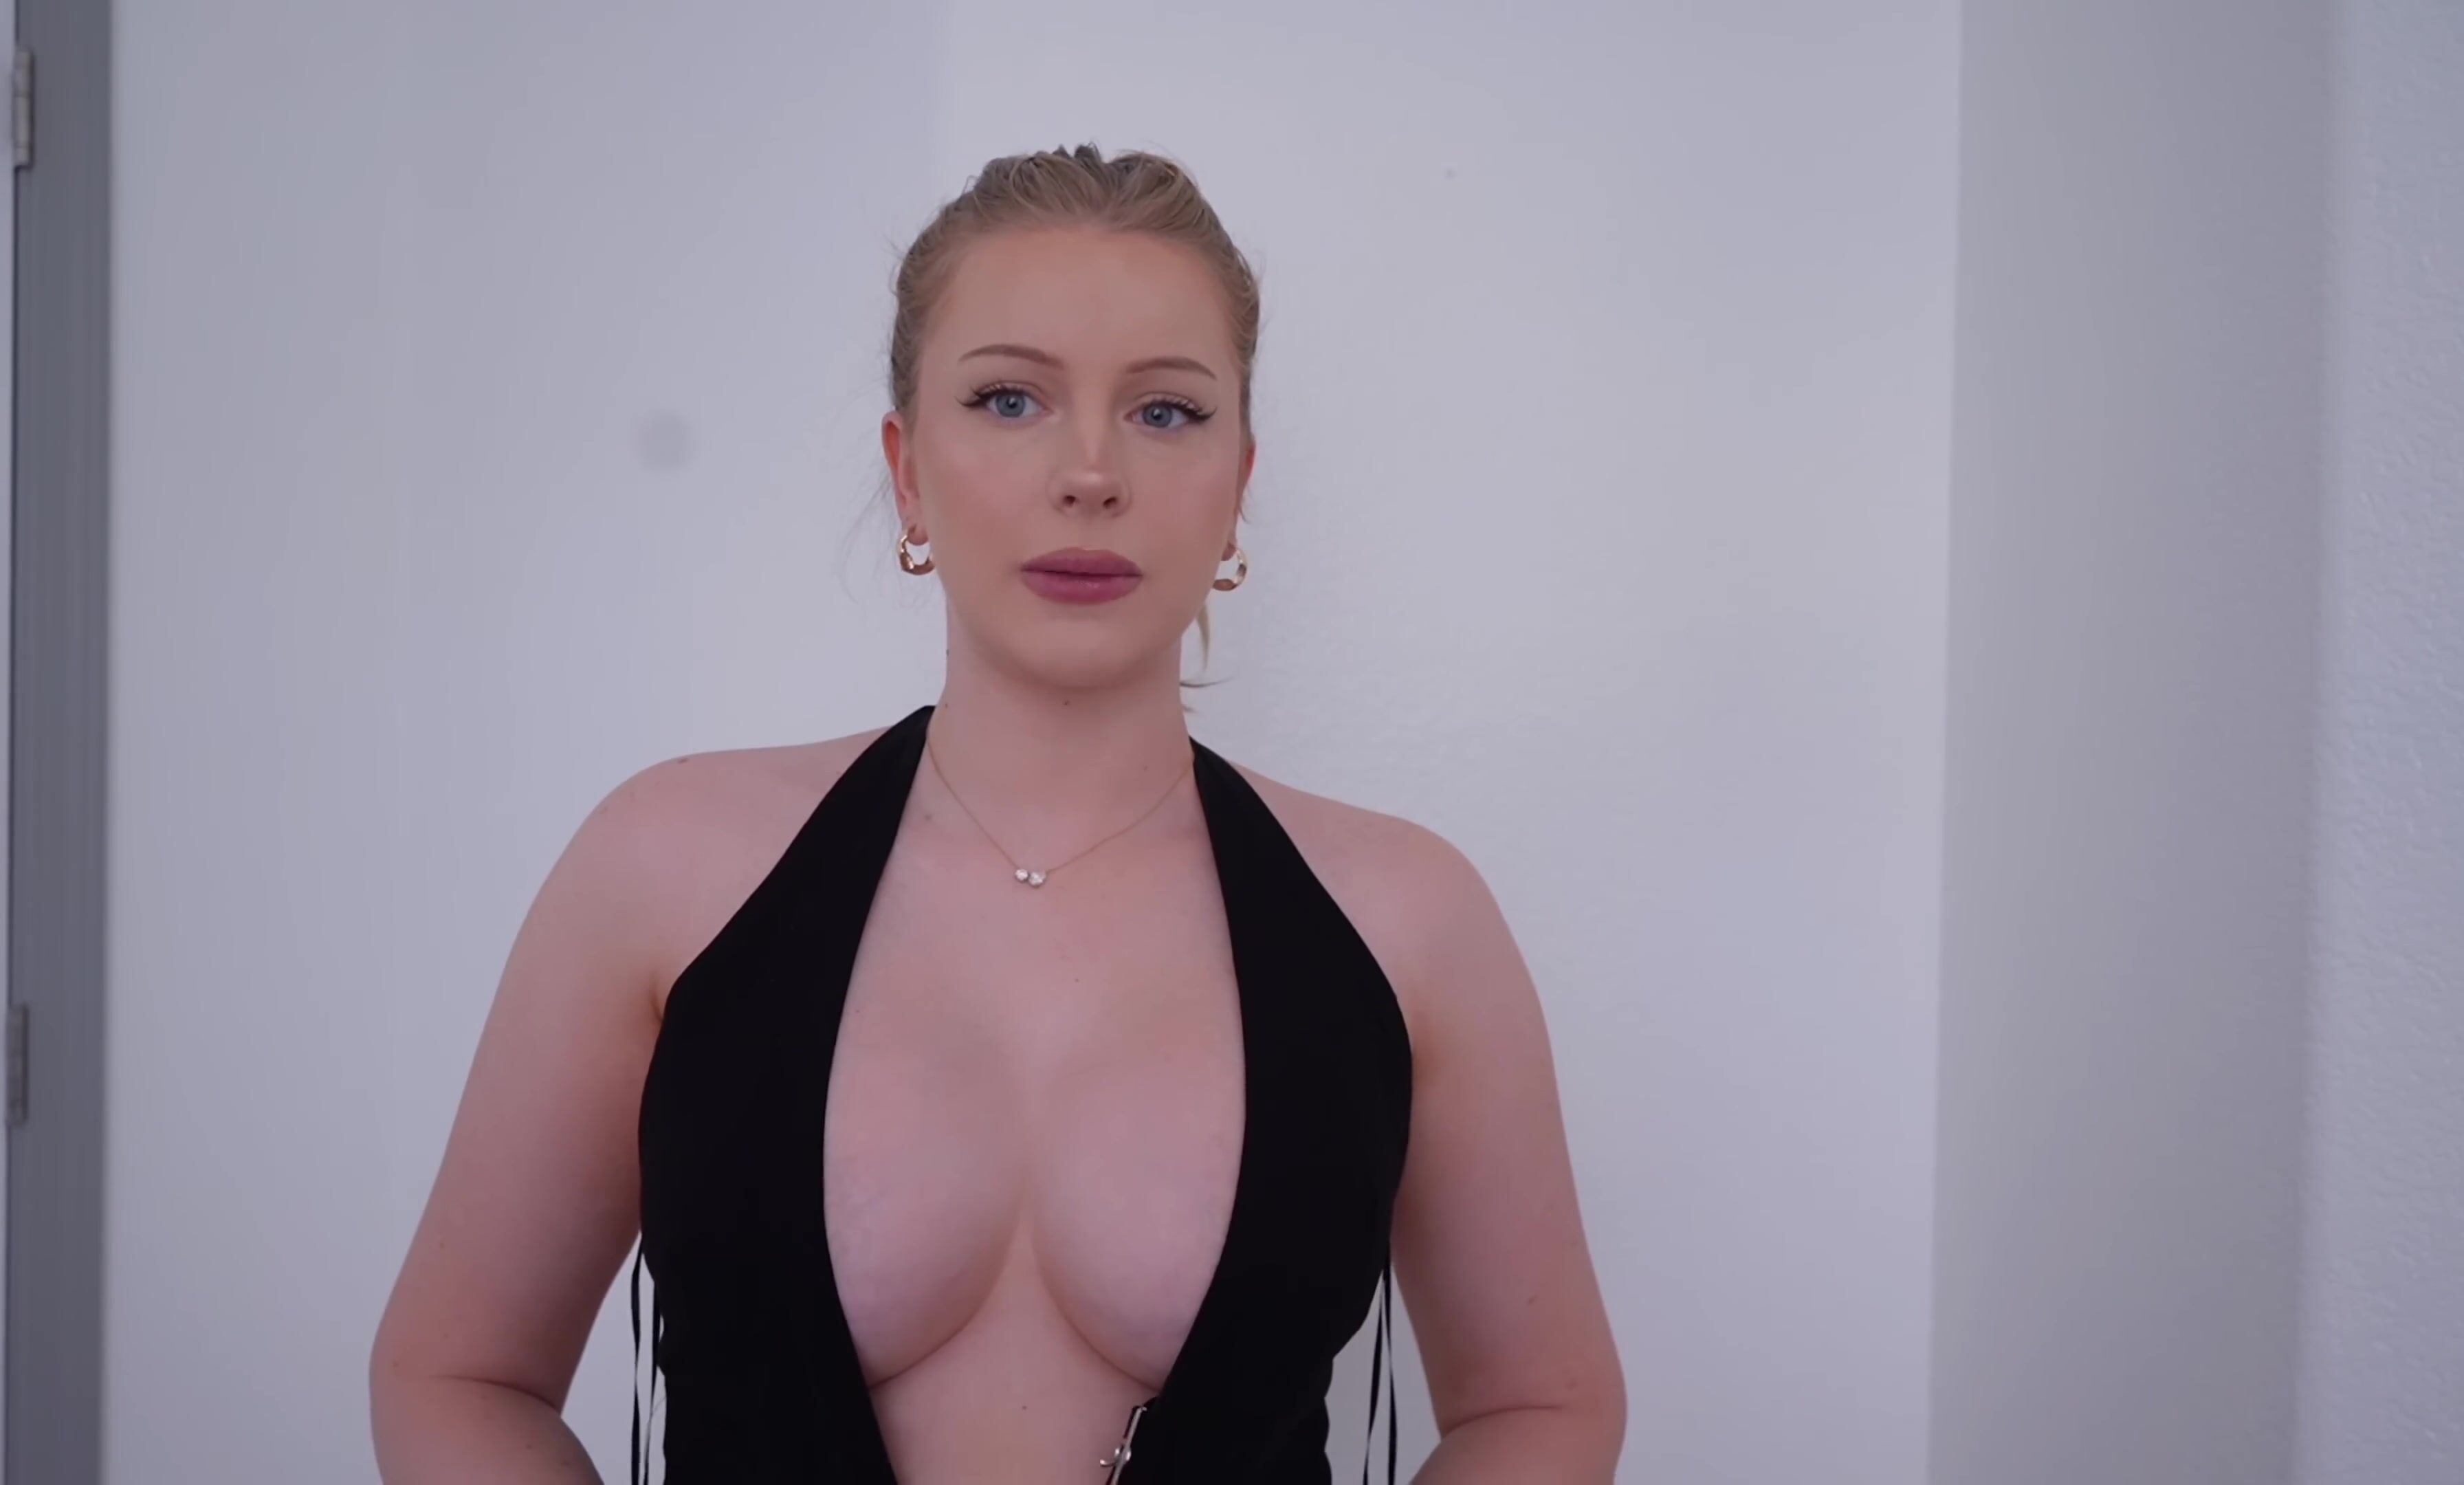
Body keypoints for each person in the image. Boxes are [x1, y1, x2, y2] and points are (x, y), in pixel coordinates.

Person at [370, 144, 1623, 1483]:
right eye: (1010, 399)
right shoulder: (668, 869)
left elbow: (1541, 1405)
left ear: (1239, 484)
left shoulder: (1407, 922)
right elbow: (458, 1376)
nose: (1090, 472)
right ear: (908, 469)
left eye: (1165, 411)